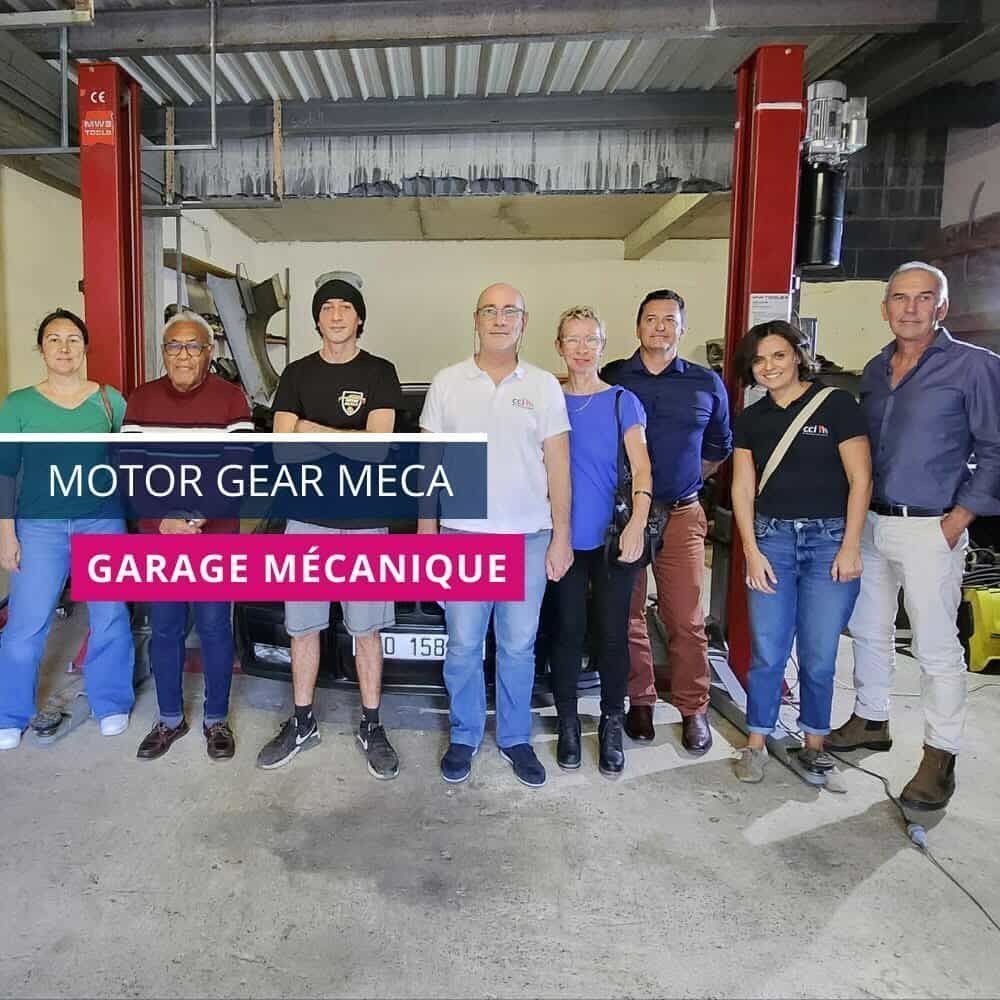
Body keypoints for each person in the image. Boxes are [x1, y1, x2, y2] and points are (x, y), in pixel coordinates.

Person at [826, 261, 1000, 810]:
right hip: (872, 521)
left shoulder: (975, 367)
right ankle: (871, 718)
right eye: (900, 298)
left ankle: (940, 756)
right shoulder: (876, 370)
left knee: (935, 645)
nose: (910, 308)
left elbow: (995, 449)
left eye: (923, 298)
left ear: (941, 307)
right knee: (869, 628)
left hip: (933, 526)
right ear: (884, 309)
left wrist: (959, 519)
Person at [419, 283, 572, 787]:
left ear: (524, 323)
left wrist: (561, 536)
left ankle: (514, 738)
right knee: (462, 645)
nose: (500, 319)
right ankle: (463, 736)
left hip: (527, 539)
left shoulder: (546, 386)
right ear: (476, 319)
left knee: (518, 646)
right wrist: (426, 535)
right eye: (491, 310)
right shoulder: (447, 383)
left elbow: (557, 466)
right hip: (462, 536)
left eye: (511, 312)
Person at [256, 274, 404, 778]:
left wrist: (310, 430)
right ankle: (301, 722)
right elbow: (280, 450)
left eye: (346, 307)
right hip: (306, 521)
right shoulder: (295, 375)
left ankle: (371, 724)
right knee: (303, 630)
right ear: (316, 318)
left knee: (367, 632)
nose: (337, 314)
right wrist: (349, 438)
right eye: (328, 307)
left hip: (366, 522)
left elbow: (380, 449)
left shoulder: (381, 372)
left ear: (359, 317)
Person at [729, 321, 871, 782]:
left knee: (819, 651)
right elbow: (743, 486)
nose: (769, 367)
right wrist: (751, 549)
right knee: (768, 649)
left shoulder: (837, 405)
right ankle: (756, 740)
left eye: (778, 356)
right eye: (759, 360)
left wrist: (850, 546)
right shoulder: (752, 419)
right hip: (772, 539)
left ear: (798, 355)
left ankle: (813, 741)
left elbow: (860, 479)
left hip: (829, 541)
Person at [601, 290, 732, 754]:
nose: (659, 327)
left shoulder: (706, 382)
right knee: (629, 613)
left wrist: (686, 480)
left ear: (682, 328)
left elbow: (719, 447)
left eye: (669, 320)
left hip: (680, 515)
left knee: (685, 618)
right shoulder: (613, 377)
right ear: (637, 327)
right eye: (651, 319)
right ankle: (640, 700)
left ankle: (693, 707)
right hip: (624, 518)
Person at [122, 310, 253, 762]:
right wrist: (162, 521)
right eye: (174, 346)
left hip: (213, 537)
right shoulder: (139, 400)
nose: (183, 354)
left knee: (216, 628)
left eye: (193, 346)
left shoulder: (232, 399)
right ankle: (169, 718)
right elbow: (129, 471)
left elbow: (238, 470)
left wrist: (196, 517)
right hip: (160, 540)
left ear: (209, 353)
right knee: (165, 629)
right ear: (163, 353)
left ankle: (216, 719)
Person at [0, 308, 134, 750]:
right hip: (39, 528)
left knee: (110, 614)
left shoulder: (109, 401)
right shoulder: (18, 404)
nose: (64, 347)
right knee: (25, 623)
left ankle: (110, 702)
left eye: (73, 339)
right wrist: (6, 534)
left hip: (102, 520)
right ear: (41, 349)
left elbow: (129, 460)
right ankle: (10, 714)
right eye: (54, 339)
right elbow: (5, 472)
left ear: (85, 347)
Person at [549, 306, 652, 776]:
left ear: (603, 346)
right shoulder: (547, 398)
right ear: (559, 347)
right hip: (563, 540)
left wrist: (638, 524)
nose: (582, 348)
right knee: (566, 634)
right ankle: (568, 722)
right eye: (573, 339)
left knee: (613, 636)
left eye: (591, 339)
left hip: (613, 541)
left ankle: (612, 721)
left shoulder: (621, 401)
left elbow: (643, 468)